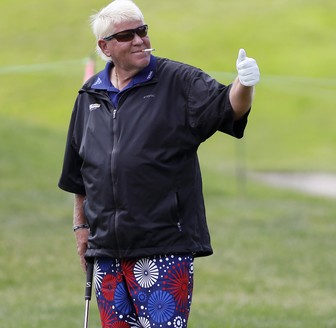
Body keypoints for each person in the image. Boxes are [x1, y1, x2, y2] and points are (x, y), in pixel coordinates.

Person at [58, 0, 259, 326]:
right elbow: (79, 173)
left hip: (162, 246)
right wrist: (81, 228)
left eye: (142, 31)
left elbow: (227, 108)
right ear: (105, 46)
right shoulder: (90, 94)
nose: (139, 40)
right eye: (127, 36)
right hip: (107, 250)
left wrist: (244, 85)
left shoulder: (179, 81)